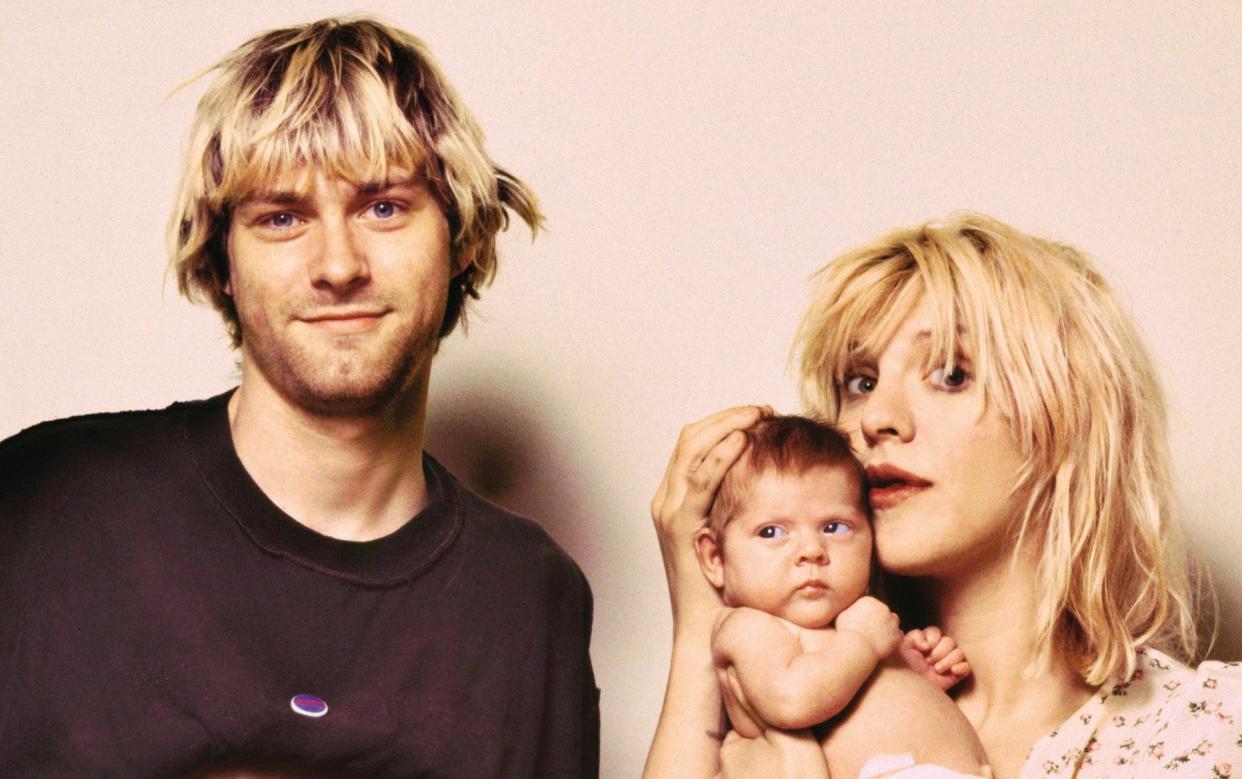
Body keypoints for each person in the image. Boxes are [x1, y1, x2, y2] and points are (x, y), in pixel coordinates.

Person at [0, 17, 598, 777]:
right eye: (282, 217)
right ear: (222, 259)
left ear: (464, 239)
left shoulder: (531, 597)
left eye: (384, 206)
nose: (338, 264)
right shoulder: (42, 509)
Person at [645, 213, 1241, 778]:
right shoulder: (774, 698)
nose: (875, 417)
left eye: (951, 374)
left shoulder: (1210, 730)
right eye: (861, 382)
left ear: (1067, 423)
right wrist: (703, 613)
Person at [693, 414, 989, 777]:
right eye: (771, 532)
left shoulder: (848, 627)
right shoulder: (747, 626)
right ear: (715, 557)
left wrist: (912, 675)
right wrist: (863, 643)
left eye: (835, 527)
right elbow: (791, 700)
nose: (812, 551)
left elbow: (851, 705)